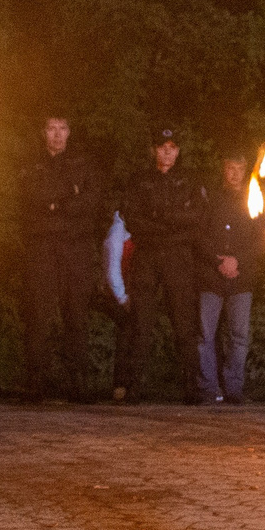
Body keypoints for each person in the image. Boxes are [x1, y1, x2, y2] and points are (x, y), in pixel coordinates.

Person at [15, 115, 108, 401]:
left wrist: (56, 202)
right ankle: (35, 385)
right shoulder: (31, 164)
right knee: (39, 317)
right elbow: (30, 197)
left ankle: (78, 385)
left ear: (70, 132)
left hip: (75, 249)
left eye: (63, 129)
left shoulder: (83, 164)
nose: (57, 135)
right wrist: (69, 195)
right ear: (43, 132)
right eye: (52, 129)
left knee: (76, 316)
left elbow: (92, 201)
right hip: (41, 248)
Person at [114, 129, 210, 403]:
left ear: (178, 151)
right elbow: (133, 218)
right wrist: (170, 224)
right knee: (141, 322)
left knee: (183, 322)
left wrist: (163, 218)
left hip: (178, 257)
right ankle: (134, 388)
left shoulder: (189, 181)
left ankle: (191, 389)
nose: (167, 152)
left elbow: (198, 219)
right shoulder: (139, 180)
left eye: (172, 147)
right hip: (148, 255)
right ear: (154, 149)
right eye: (162, 147)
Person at [195, 149, 262, 404]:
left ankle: (234, 388)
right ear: (223, 168)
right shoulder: (209, 197)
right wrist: (217, 260)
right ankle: (208, 388)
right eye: (229, 167)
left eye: (239, 168)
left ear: (245, 170)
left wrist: (238, 260)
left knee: (238, 335)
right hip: (211, 275)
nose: (234, 173)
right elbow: (198, 233)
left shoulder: (253, 199)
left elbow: (261, 238)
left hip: (241, 277)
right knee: (205, 334)